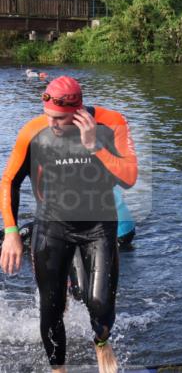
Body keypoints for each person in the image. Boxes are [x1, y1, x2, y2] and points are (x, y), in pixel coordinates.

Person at [0, 76, 138, 373]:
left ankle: (101, 343)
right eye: (48, 116)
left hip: (98, 226)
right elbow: (10, 181)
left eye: (60, 119)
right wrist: (11, 232)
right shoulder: (34, 131)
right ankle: (58, 369)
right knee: (51, 309)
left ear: (78, 113)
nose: (52, 124)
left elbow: (129, 178)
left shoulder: (110, 123)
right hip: (52, 226)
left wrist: (93, 147)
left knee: (100, 303)